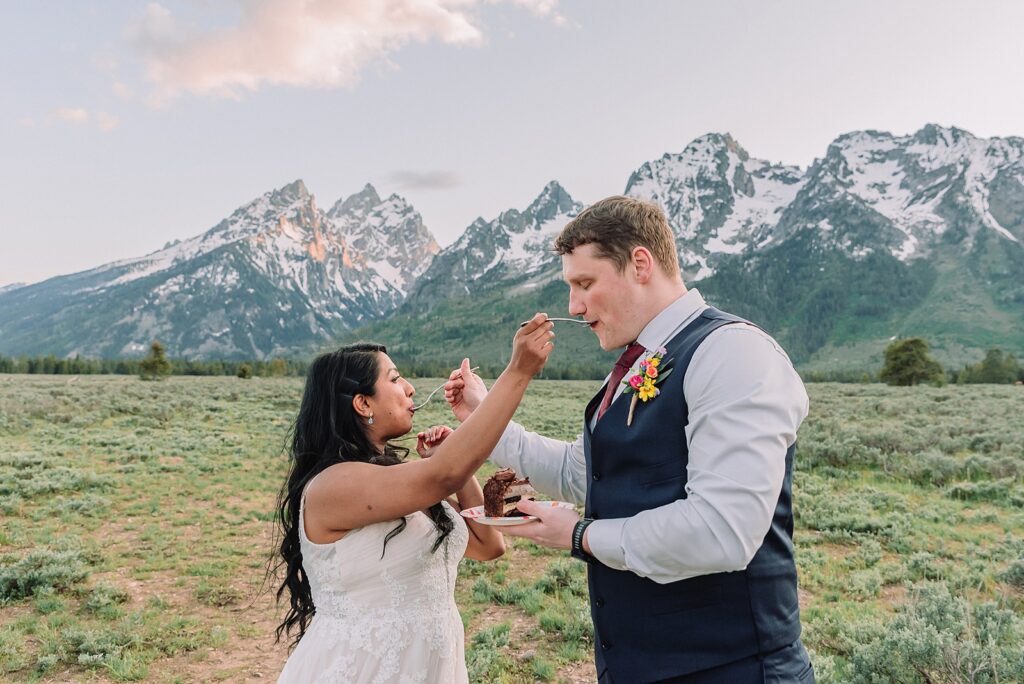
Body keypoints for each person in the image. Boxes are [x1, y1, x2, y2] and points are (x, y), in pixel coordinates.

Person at [445, 196, 814, 683]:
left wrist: (578, 536)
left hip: (733, 669)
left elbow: (723, 531)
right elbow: (584, 474)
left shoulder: (734, 354)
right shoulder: (636, 364)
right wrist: (483, 414)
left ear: (640, 264)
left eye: (584, 283)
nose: (573, 307)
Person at [274, 314, 554, 683]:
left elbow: (489, 545)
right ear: (363, 404)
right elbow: (443, 475)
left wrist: (454, 464)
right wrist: (517, 372)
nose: (410, 389)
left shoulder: (396, 483)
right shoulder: (333, 485)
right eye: (394, 379)